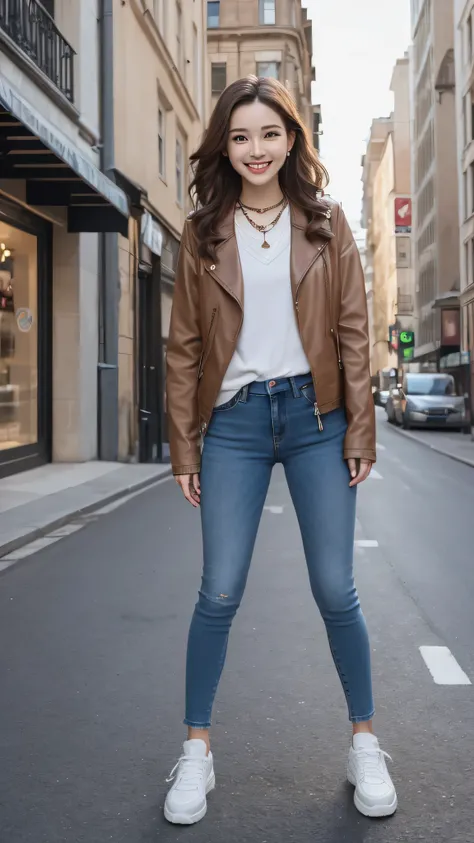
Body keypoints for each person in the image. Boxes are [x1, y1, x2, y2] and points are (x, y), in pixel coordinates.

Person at [164, 75, 397, 825]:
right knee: (219, 589)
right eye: (239, 136)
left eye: (269, 134)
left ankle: (364, 741)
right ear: (224, 147)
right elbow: (183, 349)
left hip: (316, 419)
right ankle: (197, 750)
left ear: (292, 139)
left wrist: (360, 428)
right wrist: (184, 447)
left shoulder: (327, 224)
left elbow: (356, 334)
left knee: (336, 588)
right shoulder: (202, 232)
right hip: (231, 422)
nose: (255, 149)